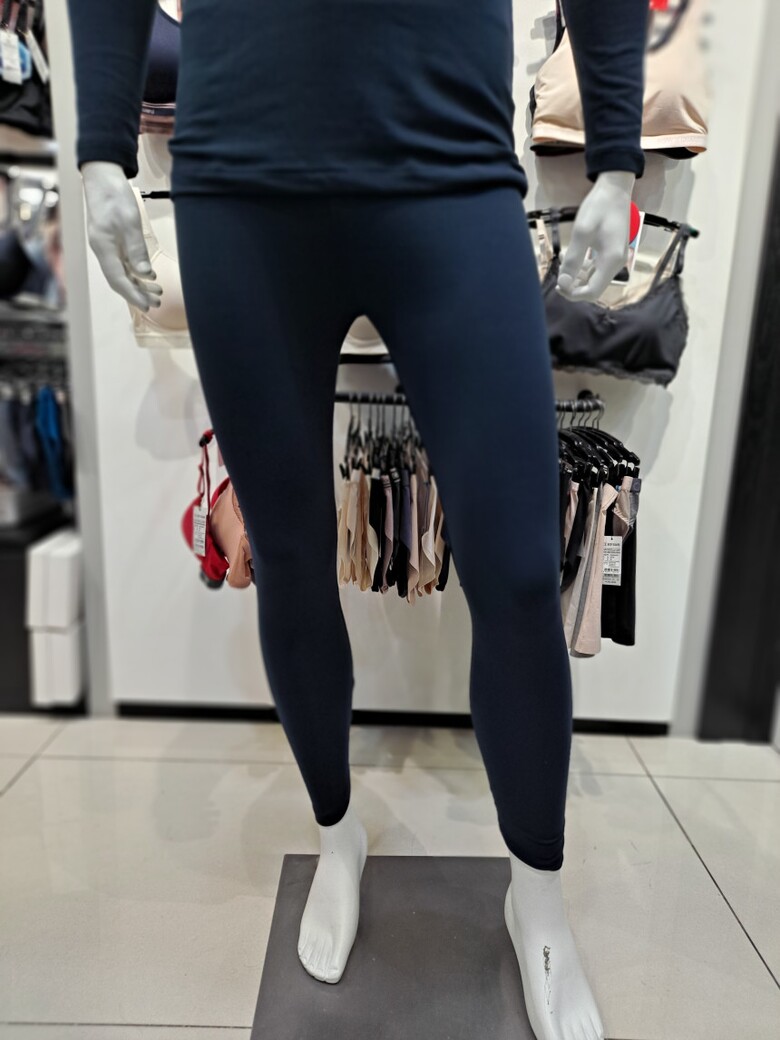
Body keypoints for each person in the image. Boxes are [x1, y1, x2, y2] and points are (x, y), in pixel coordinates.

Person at [65, 3, 648, 1038]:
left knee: (519, 571)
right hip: (240, 179)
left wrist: (615, 154)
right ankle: (338, 837)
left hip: (450, 163)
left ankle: (538, 892)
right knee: (290, 559)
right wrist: (102, 150)